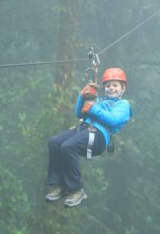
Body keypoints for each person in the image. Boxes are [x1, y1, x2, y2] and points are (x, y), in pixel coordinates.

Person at [45, 67, 133, 207]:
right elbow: (80, 114)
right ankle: (58, 185)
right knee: (55, 142)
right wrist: (83, 95)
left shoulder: (123, 105)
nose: (111, 88)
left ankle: (76, 189)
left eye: (115, 85)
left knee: (68, 147)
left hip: (98, 137)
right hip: (84, 129)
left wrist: (93, 108)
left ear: (123, 89)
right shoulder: (100, 102)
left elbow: (113, 119)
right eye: (108, 85)